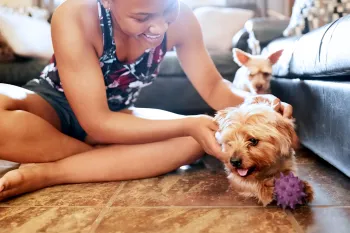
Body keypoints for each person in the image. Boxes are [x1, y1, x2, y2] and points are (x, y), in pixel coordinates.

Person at [0, 0, 292, 200]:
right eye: (141, 17)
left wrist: (260, 101)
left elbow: (216, 89)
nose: (160, 28)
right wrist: (184, 125)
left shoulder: (184, 20)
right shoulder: (75, 14)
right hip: (52, 105)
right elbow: (96, 121)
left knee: (201, 138)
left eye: (167, 11)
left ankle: (50, 172)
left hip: (120, 116)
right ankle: (101, 158)